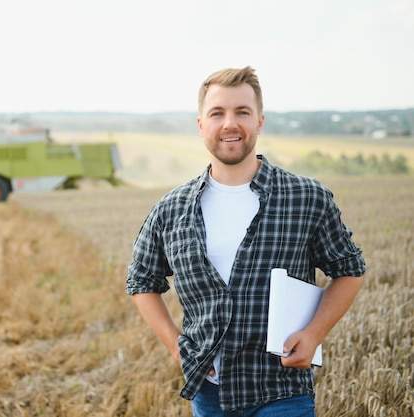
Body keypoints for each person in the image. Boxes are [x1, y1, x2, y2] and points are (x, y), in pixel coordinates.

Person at [125, 66, 365, 416]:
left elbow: (350, 269)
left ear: (259, 121)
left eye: (242, 112)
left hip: (282, 391)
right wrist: (178, 347)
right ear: (201, 125)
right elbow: (141, 281)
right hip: (209, 397)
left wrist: (314, 334)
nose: (230, 124)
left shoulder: (306, 197)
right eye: (217, 113)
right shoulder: (171, 209)